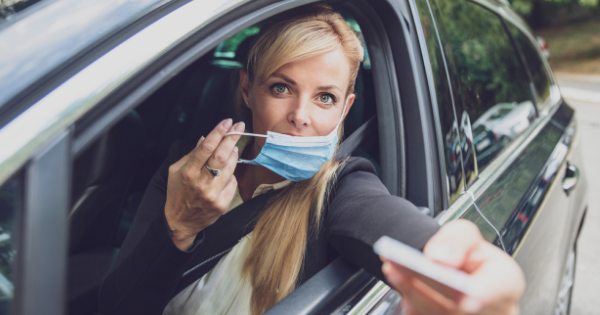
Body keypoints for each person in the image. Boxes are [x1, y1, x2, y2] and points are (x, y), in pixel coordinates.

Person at [99, 4, 524, 315]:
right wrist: (180, 226)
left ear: (345, 108)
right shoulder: (184, 172)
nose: (300, 116)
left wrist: (479, 269)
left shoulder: (342, 189)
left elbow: (409, 232)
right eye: (281, 88)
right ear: (247, 89)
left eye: (325, 97)